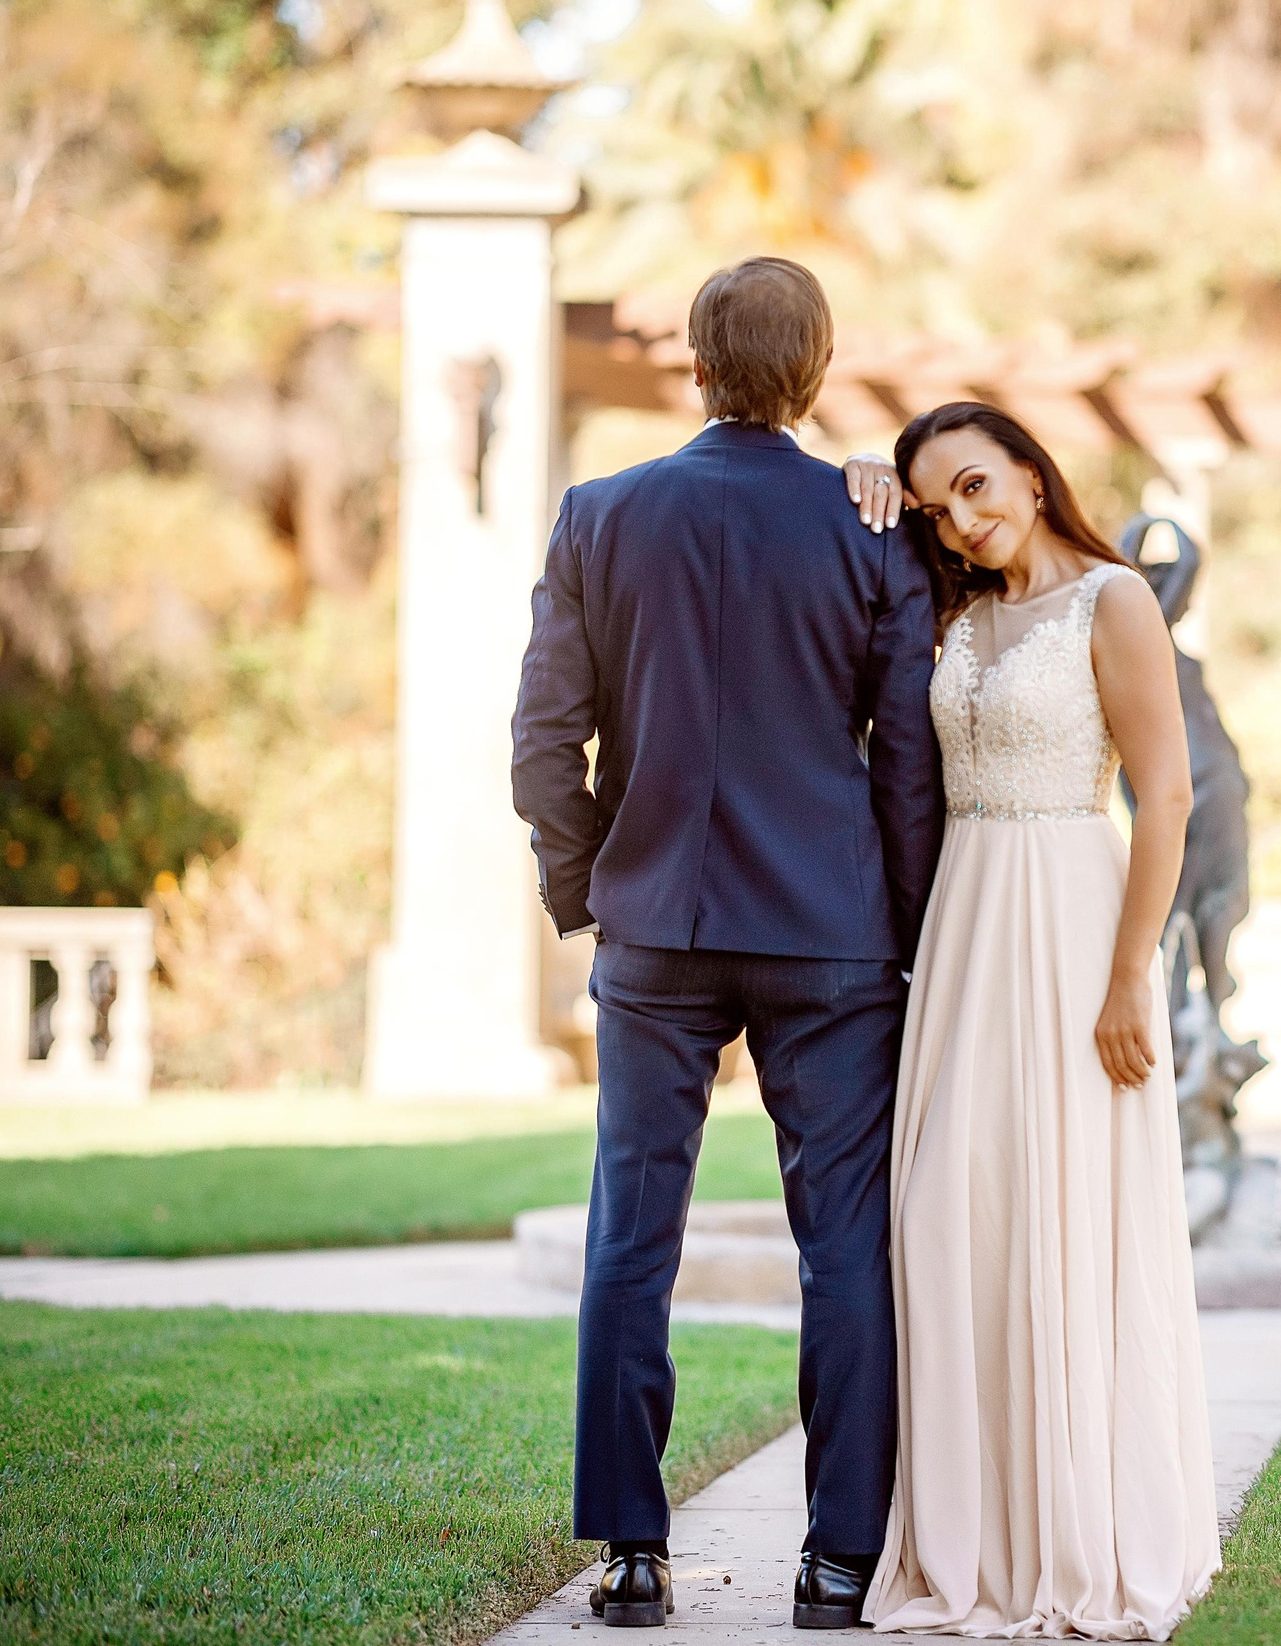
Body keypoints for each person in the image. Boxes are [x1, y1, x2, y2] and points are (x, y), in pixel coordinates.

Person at [509, 256, 941, 1630]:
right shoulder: (874, 529)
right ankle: (836, 1563)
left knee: (631, 1236)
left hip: (657, 931)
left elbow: (540, 744)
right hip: (832, 938)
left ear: (695, 362)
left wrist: (592, 888)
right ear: (817, 372)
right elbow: (907, 766)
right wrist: (913, 929)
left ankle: (633, 1558)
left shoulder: (599, 516)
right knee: (847, 1246)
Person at [851, 401, 1220, 1638]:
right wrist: (861, 476)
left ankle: (1074, 1533)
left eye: (972, 484)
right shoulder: (960, 607)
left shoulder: (1114, 600)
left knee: (1065, 1211)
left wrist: (1131, 979)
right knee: (953, 1212)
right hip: (966, 929)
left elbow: (1165, 795)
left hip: (1072, 927)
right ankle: (972, 1538)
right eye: (938, 505)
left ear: (1025, 466)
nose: (962, 518)